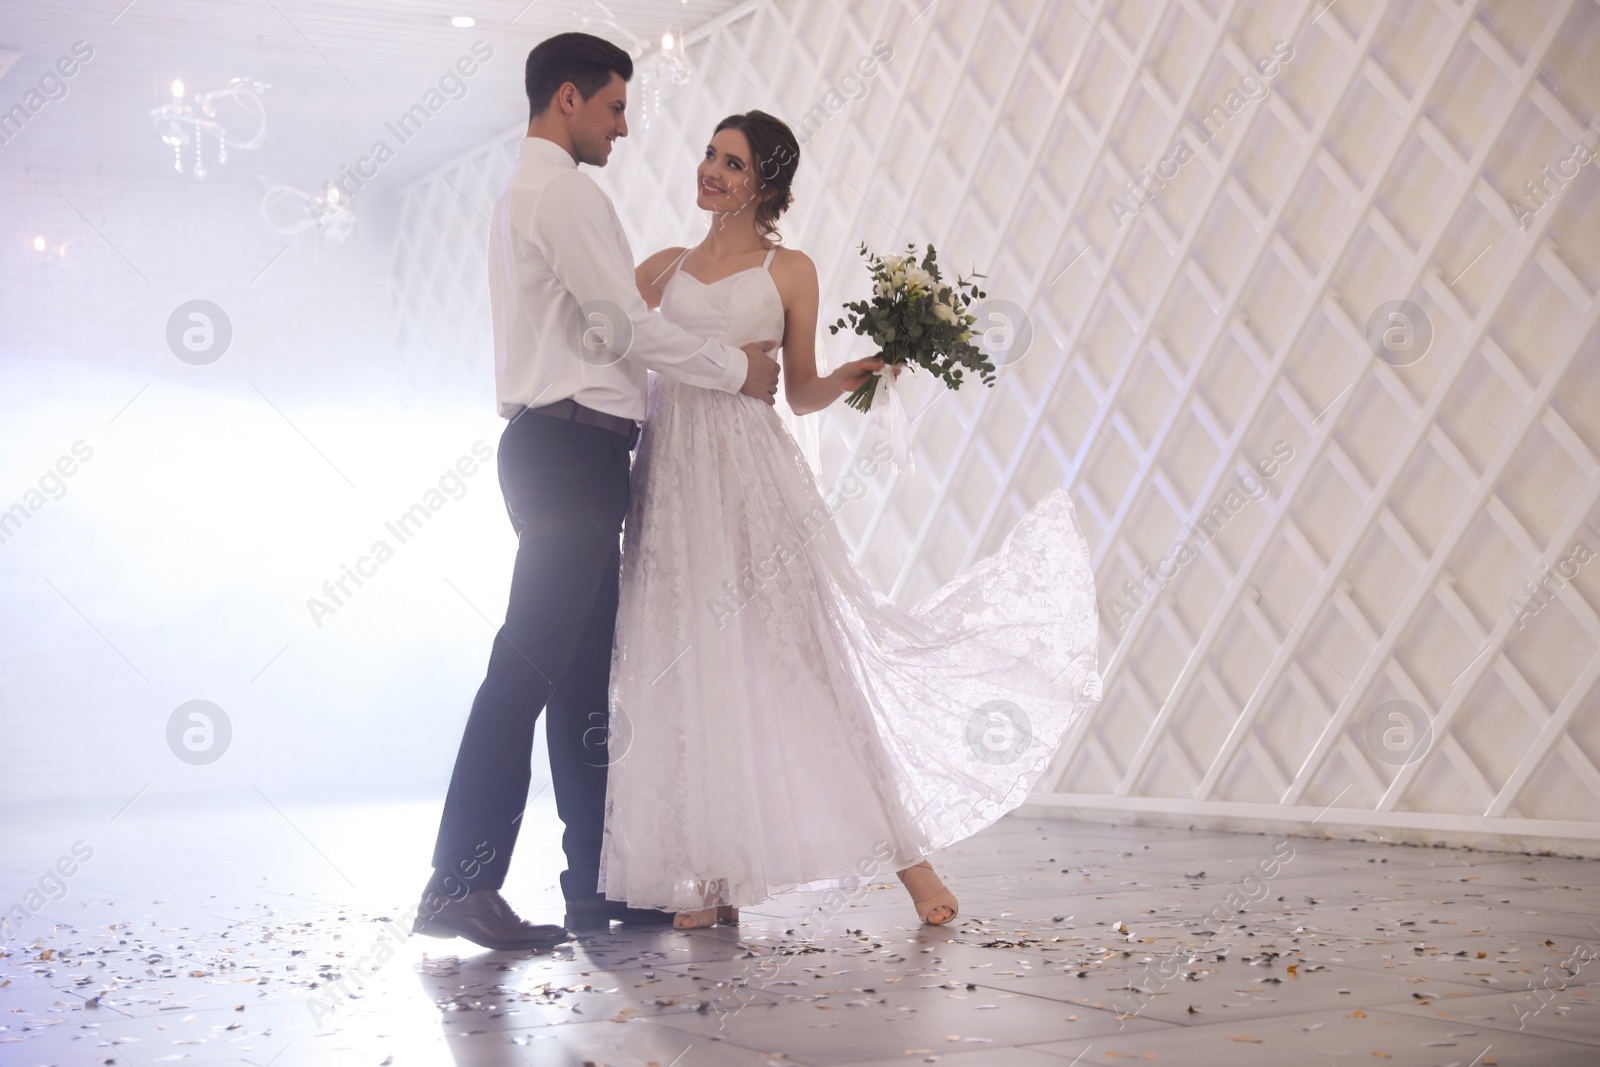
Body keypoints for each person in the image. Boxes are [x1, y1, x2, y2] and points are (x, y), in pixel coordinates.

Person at [596, 110, 1102, 929]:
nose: (710, 172)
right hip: (674, 484)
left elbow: (796, 393)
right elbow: (614, 339)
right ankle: (718, 877)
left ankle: (912, 862)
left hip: (750, 478)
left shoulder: (789, 269)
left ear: (766, 184)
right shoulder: (663, 265)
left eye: (731, 163)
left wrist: (852, 376)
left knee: (808, 659)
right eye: (709, 155)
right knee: (688, 665)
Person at [412, 33, 783, 950]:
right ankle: (458, 884)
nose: (624, 127)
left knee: (581, 684)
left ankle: (597, 884)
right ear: (568, 99)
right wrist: (734, 368)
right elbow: (621, 326)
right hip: (567, 452)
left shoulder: (528, 193)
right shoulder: (563, 192)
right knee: (529, 671)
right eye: (616, 107)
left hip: (574, 453)